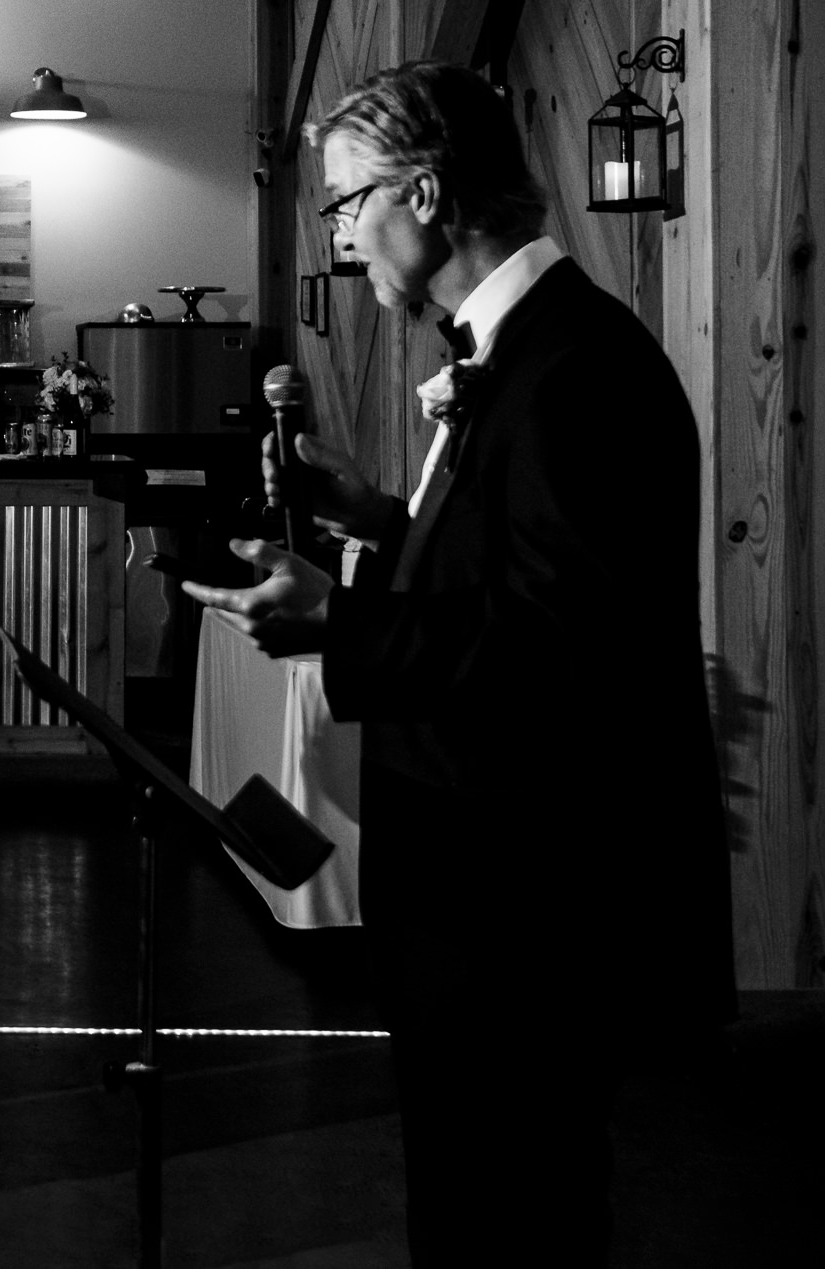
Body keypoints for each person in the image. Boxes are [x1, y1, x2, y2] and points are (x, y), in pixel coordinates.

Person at [183, 62, 732, 1266]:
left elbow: (555, 648)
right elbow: (515, 568)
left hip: (522, 904)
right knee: (471, 1203)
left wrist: (341, 623)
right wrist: (378, 522)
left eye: (345, 203)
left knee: (512, 1216)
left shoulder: (576, 370)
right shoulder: (519, 352)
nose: (337, 235)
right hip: (478, 892)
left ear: (424, 193)